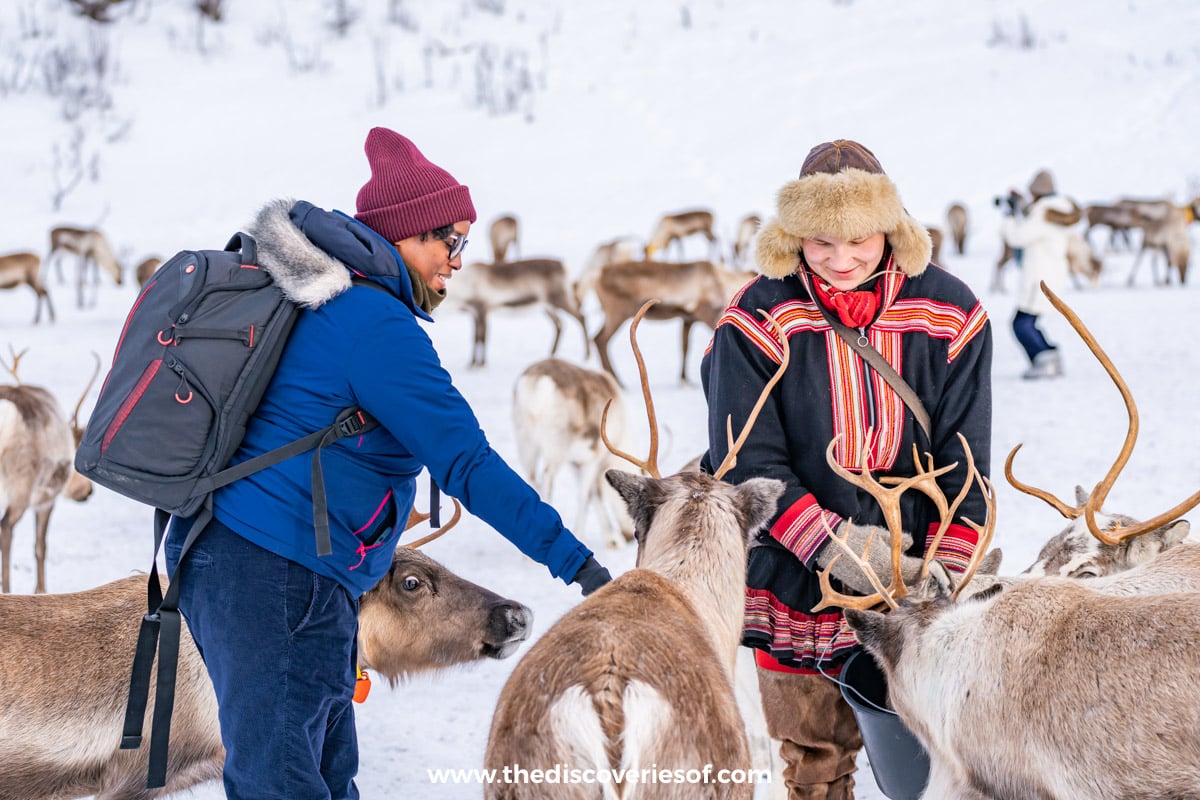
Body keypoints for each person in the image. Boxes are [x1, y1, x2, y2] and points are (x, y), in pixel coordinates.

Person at [164, 127, 612, 800]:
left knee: (323, 775)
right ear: (404, 235)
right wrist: (580, 564)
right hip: (275, 574)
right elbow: (468, 462)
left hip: (269, 569)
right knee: (282, 783)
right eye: (449, 240)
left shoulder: (339, 304)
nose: (460, 259)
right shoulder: (372, 324)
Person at [699, 139, 992, 800]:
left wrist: (946, 568)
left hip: (915, 581)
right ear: (793, 235)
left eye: (859, 239)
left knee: (935, 764)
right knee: (814, 761)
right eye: (819, 242)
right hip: (794, 577)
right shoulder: (756, 317)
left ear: (890, 227)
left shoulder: (952, 313)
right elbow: (747, 463)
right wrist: (838, 550)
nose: (840, 260)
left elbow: (965, 461)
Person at [1001, 168, 1080, 379]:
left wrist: (1009, 215)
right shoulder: (1055, 211)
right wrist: (1022, 207)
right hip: (1049, 276)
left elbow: (1018, 236)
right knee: (1028, 322)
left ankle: (1044, 361)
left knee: (1021, 324)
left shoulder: (1044, 214)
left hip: (1039, 280)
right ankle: (1052, 360)